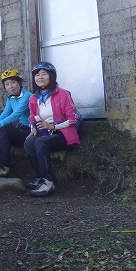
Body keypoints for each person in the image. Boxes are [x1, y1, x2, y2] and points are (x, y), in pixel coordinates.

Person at [24, 61, 80, 197]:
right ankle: (40, 177)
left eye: (44, 74)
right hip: (44, 133)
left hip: (63, 134)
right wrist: (33, 128)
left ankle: (48, 182)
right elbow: (32, 117)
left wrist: (53, 126)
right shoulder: (33, 98)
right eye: (37, 75)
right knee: (29, 142)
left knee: (40, 142)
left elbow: (73, 118)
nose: (40, 77)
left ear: (52, 76)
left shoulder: (63, 94)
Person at [0, 68, 32, 176]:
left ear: (19, 83)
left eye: (13, 82)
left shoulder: (27, 96)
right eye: (7, 84)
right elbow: (5, 113)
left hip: (30, 131)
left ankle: (4, 166)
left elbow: (16, 115)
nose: (10, 86)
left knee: (3, 130)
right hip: (20, 129)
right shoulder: (10, 98)